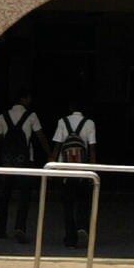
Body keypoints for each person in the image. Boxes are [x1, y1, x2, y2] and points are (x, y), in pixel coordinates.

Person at [0, 88, 51, 243]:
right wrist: (50, 154)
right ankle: (20, 227)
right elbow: (40, 136)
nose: (30, 101)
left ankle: (0, 229)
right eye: (28, 98)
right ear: (24, 99)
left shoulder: (3, 116)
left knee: (5, 196)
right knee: (24, 196)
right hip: (25, 161)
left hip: (7, 161)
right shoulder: (31, 116)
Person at [51, 97, 97, 248]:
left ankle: (70, 239)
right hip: (83, 170)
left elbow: (58, 145)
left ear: (71, 107)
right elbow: (91, 149)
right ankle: (82, 226)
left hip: (66, 171)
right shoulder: (89, 123)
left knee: (67, 205)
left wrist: (51, 166)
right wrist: (93, 170)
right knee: (83, 201)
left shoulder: (62, 122)